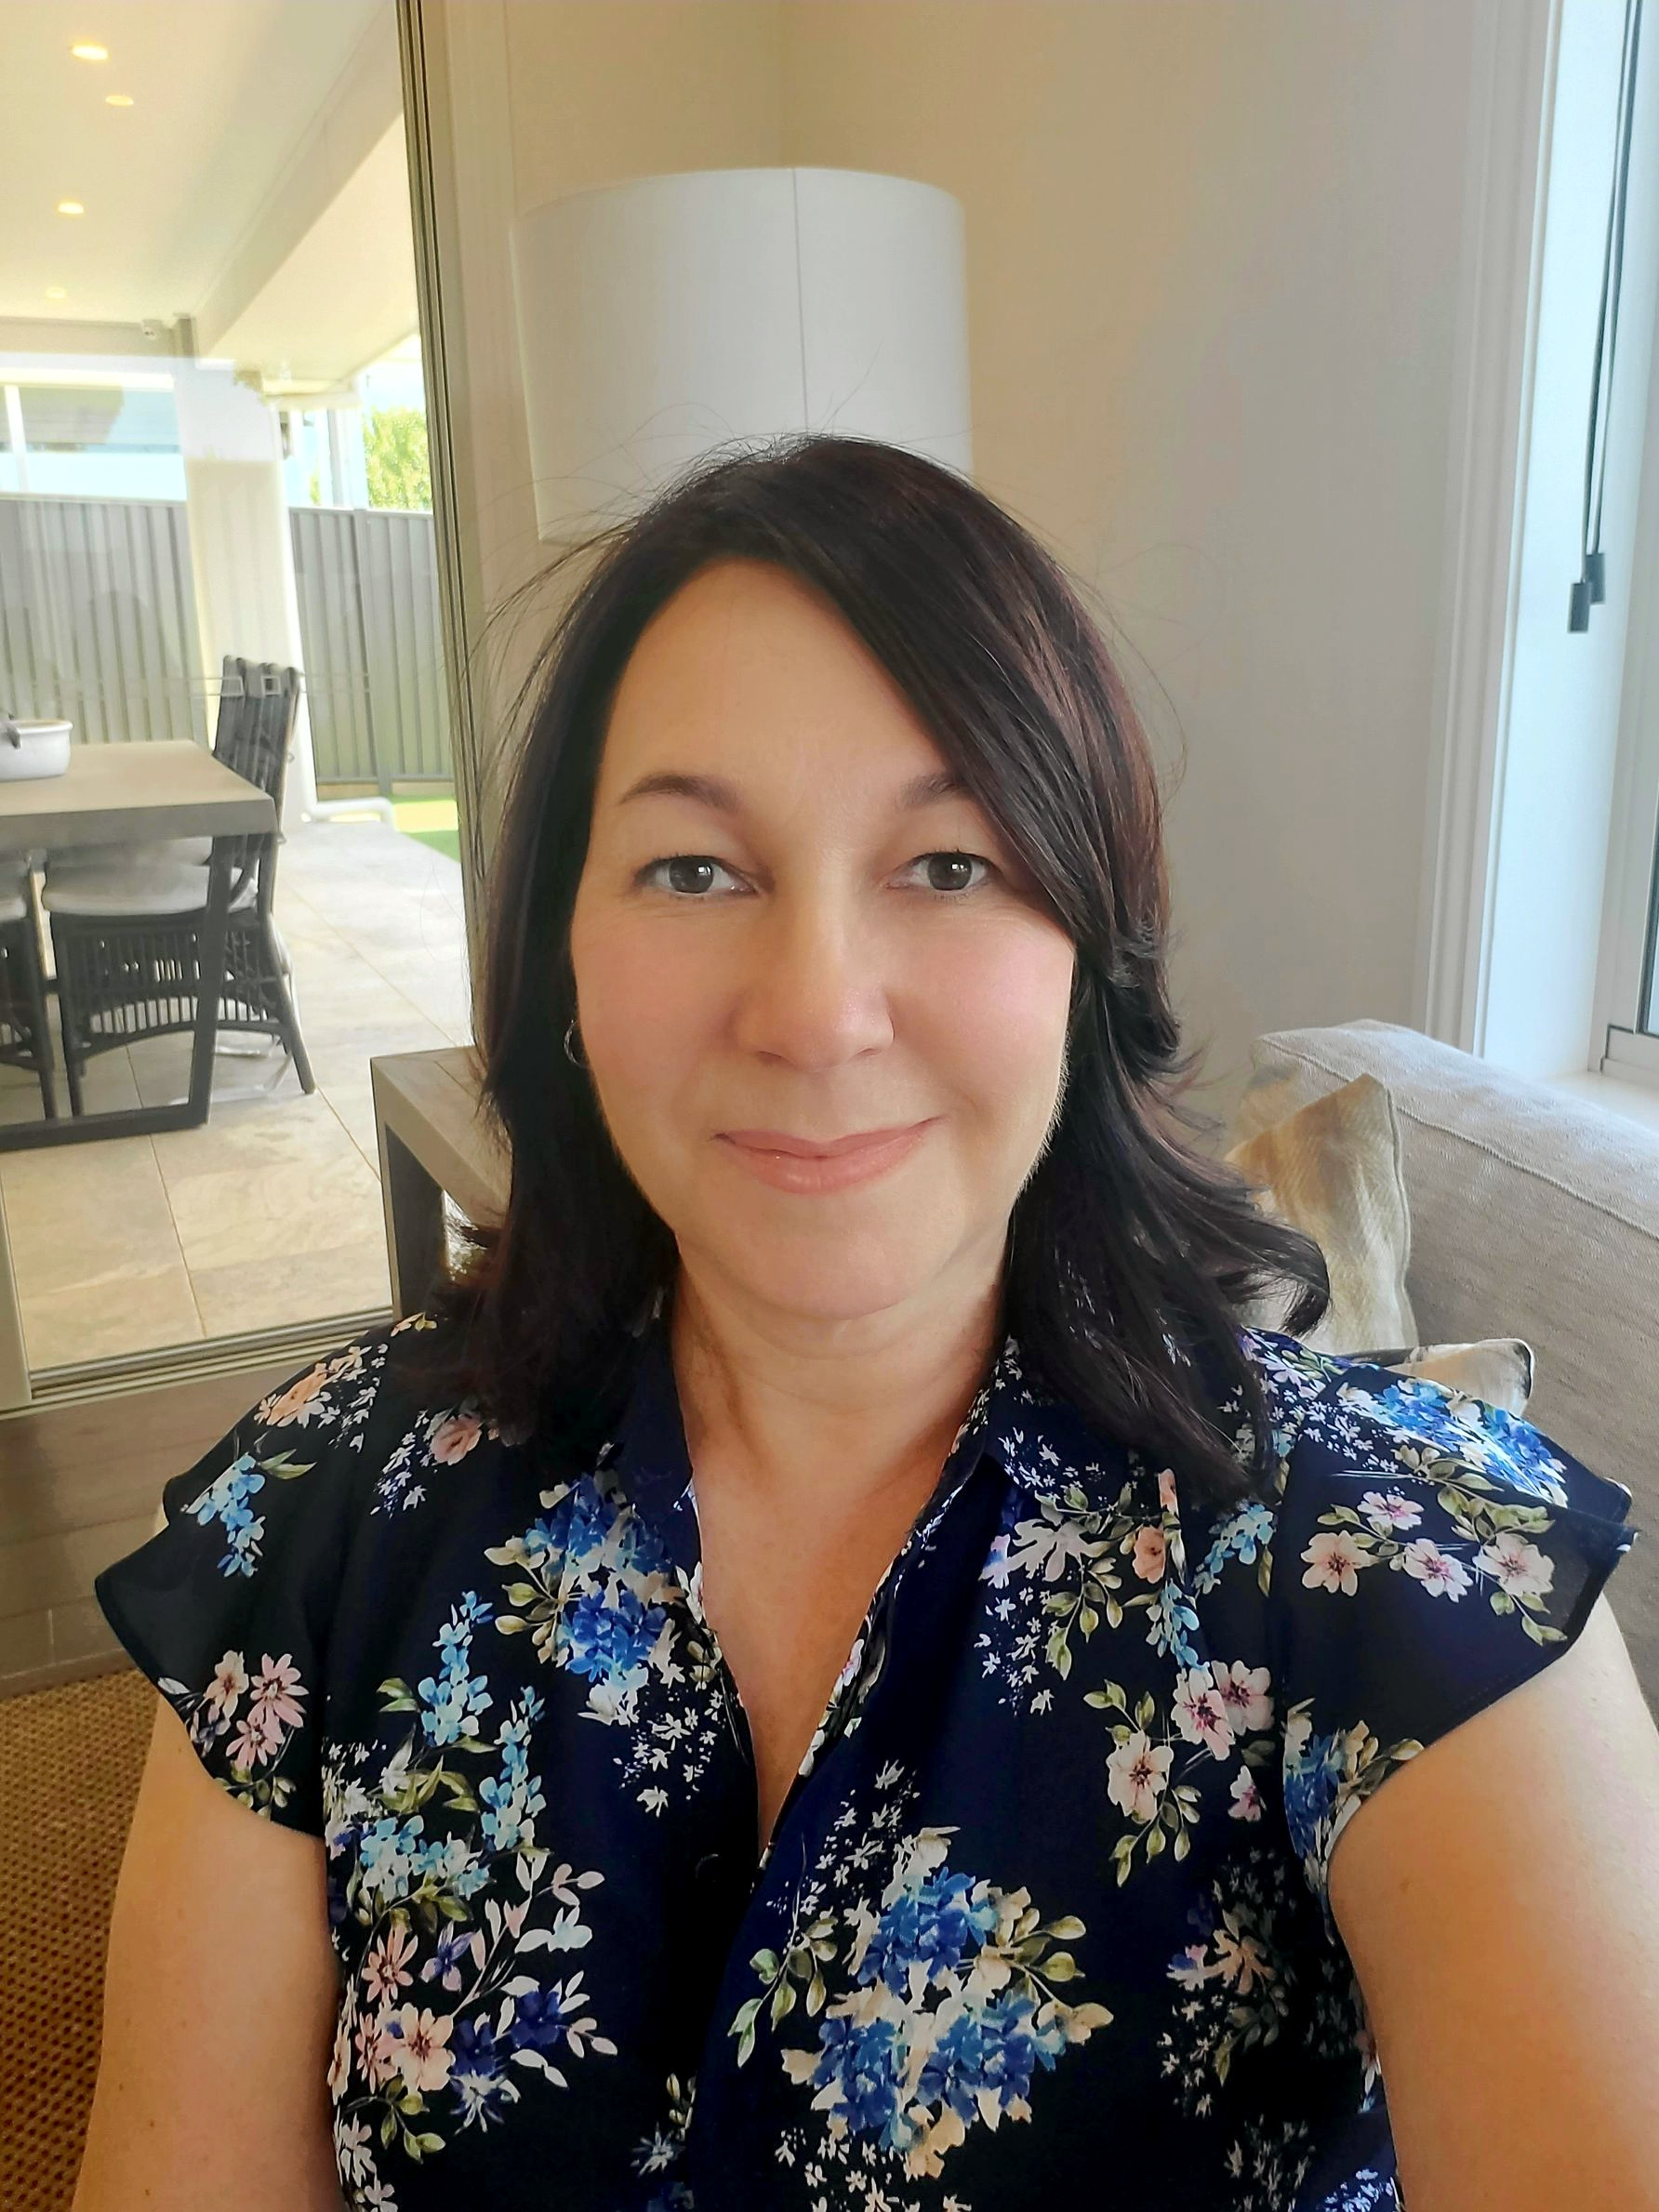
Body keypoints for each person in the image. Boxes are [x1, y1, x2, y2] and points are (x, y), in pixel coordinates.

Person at [76, 434, 1659, 2212]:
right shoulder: (321, 1521)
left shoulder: (1415, 1582)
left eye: (950, 862)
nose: (818, 1011)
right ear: (560, 958)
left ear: (1088, 947)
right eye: (693, 868)